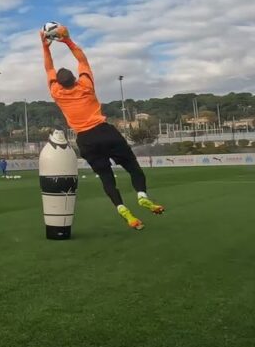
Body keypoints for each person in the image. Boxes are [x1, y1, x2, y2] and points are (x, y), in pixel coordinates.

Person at [41, 25, 164, 230]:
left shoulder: (56, 93)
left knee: (106, 177)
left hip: (85, 140)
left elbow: (48, 68)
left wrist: (45, 46)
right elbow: (82, 59)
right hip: (105, 131)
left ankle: (121, 208)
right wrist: (68, 41)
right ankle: (142, 195)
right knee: (133, 168)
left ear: (60, 84)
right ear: (74, 78)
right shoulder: (86, 85)